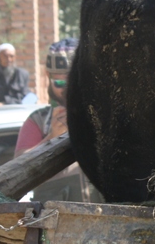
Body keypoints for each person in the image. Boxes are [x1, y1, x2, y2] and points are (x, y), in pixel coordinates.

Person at [16, 38, 98, 202]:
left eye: (73, 82)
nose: (68, 90)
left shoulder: (104, 118)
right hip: (58, 223)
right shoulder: (38, 122)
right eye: (60, 82)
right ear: (48, 77)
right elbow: (18, 171)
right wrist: (50, 138)